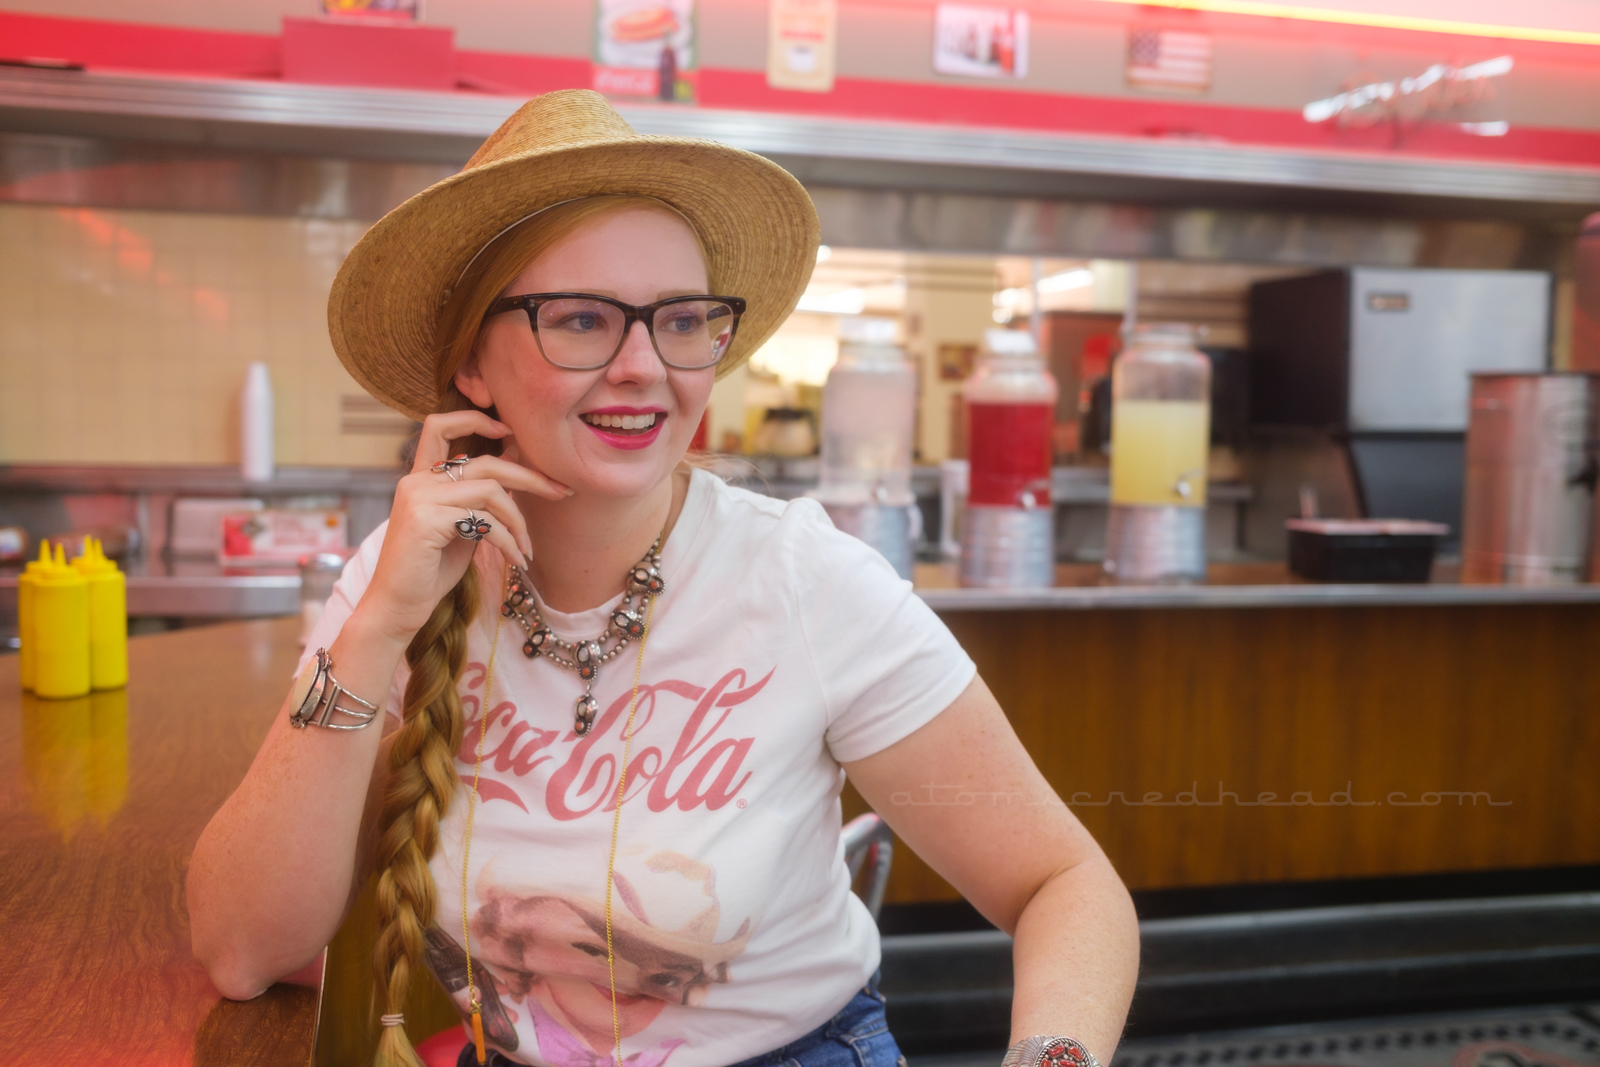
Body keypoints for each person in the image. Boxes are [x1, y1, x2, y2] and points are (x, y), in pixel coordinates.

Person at [187, 90, 1139, 1067]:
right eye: (582, 319)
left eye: (681, 320)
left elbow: (1062, 880)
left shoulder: (805, 583)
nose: (644, 365)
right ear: (473, 364)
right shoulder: (401, 581)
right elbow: (245, 946)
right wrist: (378, 623)